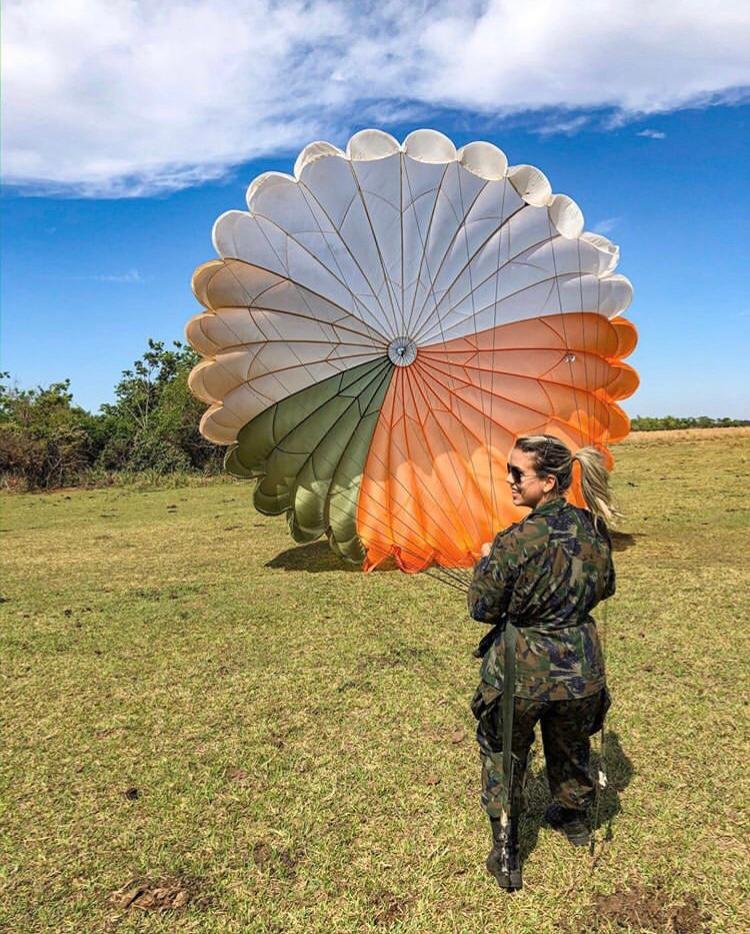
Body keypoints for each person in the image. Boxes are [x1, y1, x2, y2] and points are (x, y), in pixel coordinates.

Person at [467, 434, 617, 891]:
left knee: (504, 753)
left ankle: (507, 851)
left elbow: (482, 607)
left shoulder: (514, 540)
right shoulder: (594, 529)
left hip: (521, 674)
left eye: (518, 473)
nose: (509, 481)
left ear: (548, 482)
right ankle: (573, 819)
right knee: (570, 745)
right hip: (580, 673)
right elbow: (604, 586)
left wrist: (485, 563)